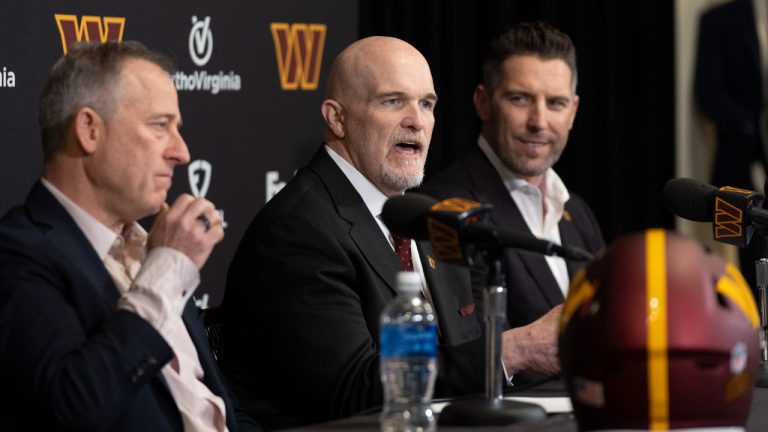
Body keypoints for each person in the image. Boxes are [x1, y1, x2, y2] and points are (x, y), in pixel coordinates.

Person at [219, 36, 565, 428]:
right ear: (337, 118)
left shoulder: (426, 220)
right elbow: (352, 392)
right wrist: (513, 350)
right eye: (393, 101)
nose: (417, 120)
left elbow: (455, 356)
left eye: (427, 104)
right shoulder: (299, 231)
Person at [0, 41, 259, 431]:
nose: (182, 152)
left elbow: (217, 408)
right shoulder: (19, 253)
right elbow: (73, 405)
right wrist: (168, 268)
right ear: (89, 130)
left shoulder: (151, 247)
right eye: (160, 126)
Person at [421, 23, 604, 332]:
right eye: (520, 99)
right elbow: (469, 353)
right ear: (483, 103)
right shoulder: (446, 210)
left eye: (556, 103)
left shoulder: (579, 213)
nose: (539, 122)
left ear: (572, 112)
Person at [694, 0, 765, 293]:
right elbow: (708, 94)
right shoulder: (719, 19)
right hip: (740, 163)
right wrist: (754, 129)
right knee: (742, 268)